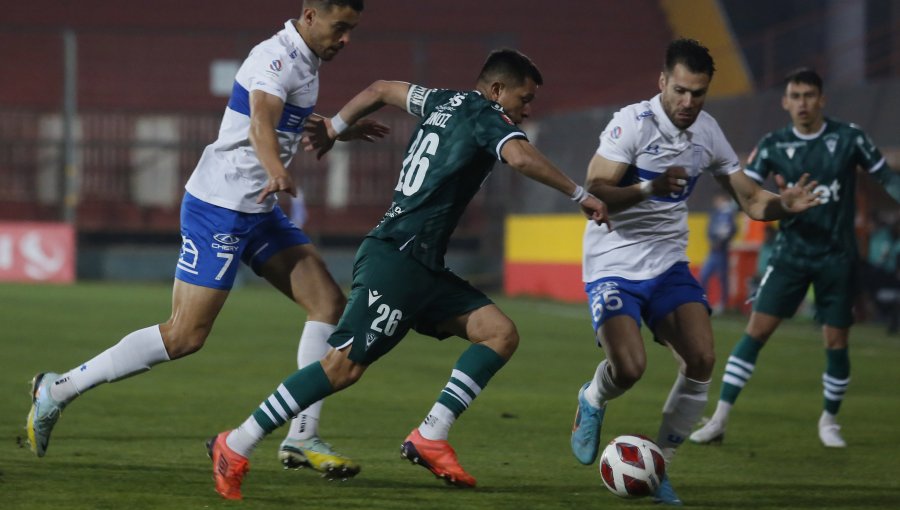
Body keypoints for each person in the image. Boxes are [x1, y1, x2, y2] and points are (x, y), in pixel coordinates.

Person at [206, 48, 611, 500]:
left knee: (499, 333)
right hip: (397, 259)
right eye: (525, 97)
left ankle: (431, 436)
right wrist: (580, 193)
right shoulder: (486, 113)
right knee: (341, 367)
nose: (527, 108)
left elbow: (380, 89)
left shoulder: (441, 100)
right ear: (498, 90)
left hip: (422, 266)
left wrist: (336, 128)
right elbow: (518, 158)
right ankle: (236, 444)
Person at [26, 0, 388, 479]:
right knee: (184, 335)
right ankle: (58, 389)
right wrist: (278, 171)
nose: (345, 39)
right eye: (340, 28)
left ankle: (301, 437)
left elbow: (284, 117)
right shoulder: (274, 58)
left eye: (352, 30)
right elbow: (261, 118)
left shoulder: (306, 60)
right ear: (309, 17)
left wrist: (337, 130)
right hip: (219, 208)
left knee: (327, 305)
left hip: (257, 210)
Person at [569, 39, 822, 506]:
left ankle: (660, 463)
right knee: (630, 367)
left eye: (699, 93)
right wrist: (650, 186)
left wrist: (784, 205)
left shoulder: (707, 132)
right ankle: (592, 398)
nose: (688, 103)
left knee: (702, 359)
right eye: (681, 90)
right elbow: (596, 188)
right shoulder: (632, 123)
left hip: (667, 264)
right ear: (663, 82)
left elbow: (750, 198)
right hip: (614, 263)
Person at [690, 68, 900, 448]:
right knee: (756, 332)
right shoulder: (773, 144)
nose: (802, 102)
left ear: (821, 99)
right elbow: (747, 191)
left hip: (837, 257)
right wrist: (775, 202)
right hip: (790, 256)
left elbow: (886, 177)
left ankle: (829, 421)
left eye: (809, 95)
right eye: (795, 96)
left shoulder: (848, 137)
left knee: (836, 340)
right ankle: (719, 417)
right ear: (785, 102)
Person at [699, 193, 737, 313]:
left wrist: (723, 241)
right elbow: (710, 229)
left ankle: (723, 304)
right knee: (704, 275)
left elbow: (731, 229)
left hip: (721, 251)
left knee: (721, 277)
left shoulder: (727, 213)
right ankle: (703, 301)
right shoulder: (717, 213)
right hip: (714, 250)